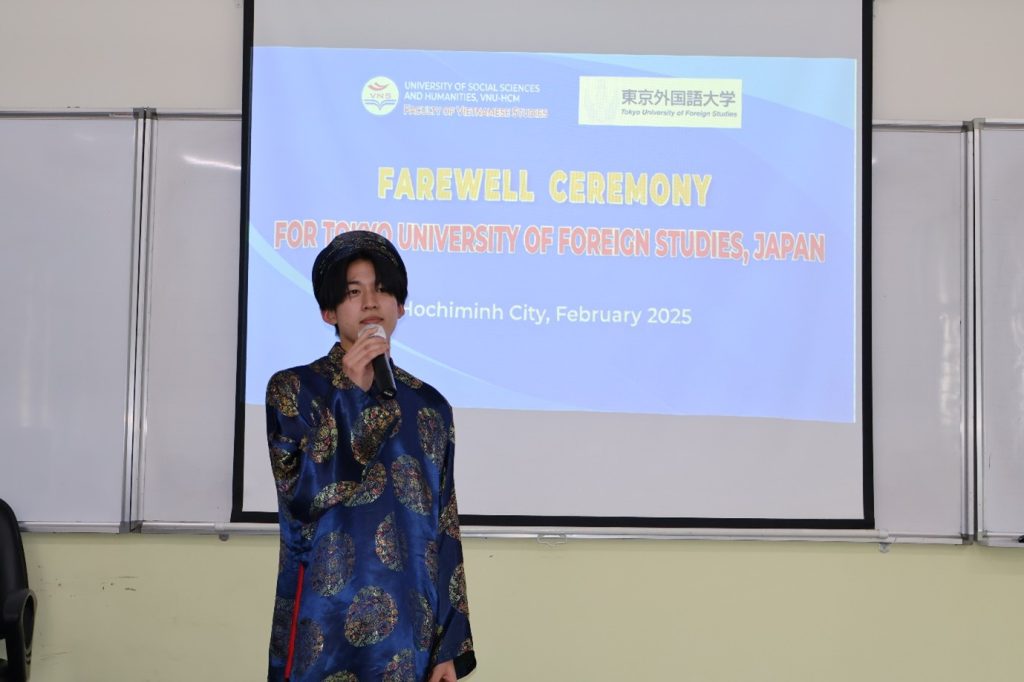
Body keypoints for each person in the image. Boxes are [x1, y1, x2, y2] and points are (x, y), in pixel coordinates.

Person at [265, 230, 476, 681]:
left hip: (411, 629)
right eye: (353, 292)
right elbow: (304, 497)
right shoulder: (294, 390)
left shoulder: (430, 405)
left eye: (381, 289)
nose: (370, 302)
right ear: (328, 311)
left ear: (400, 305)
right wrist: (350, 391)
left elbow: (445, 524)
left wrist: (449, 644)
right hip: (323, 619)